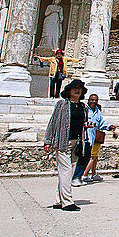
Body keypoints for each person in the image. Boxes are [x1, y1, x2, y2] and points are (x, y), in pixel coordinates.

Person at [43, 78, 89, 211]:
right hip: (63, 142)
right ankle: (67, 202)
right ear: (68, 90)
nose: (77, 90)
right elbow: (53, 122)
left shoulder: (83, 107)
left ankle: (59, 200)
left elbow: (82, 123)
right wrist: (48, 141)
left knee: (68, 172)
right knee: (66, 171)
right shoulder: (62, 104)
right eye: (75, 88)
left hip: (77, 143)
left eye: (79, 88)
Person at [80, 93, 115, 184]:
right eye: (92, 100)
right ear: (88, 100)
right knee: (90, 157)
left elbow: (101, 122)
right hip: (85, 136)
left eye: (95, 100)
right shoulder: (84, 109)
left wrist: (109, 127)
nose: (94, 102)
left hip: (94, 137)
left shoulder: (97, 111)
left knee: (94, 156)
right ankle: (84, 175)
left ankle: (93, 173)